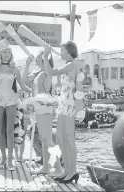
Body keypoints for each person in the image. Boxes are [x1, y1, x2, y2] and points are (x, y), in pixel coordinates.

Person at [43, 41, 85, 183]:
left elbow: (50, 72)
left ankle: (73, 171)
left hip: (69, 106)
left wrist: (45, 56)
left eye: (62, 50)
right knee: (61, 139)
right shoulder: (68, 65)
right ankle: (67, 170)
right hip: (63, 105)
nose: (60, 53)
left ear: (69, 51)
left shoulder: (72, 64)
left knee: (68, 139)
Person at [0, 47, 31, 171]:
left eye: (8, 52)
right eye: (4, 51)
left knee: (10, 129)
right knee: (0, 129)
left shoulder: (15, 69)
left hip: (12, 100)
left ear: (11, 54)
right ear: (0, 53)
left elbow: (23, 85)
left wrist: (34, 92)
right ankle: (3, 158)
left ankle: (10, 160)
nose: (6, 54)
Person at [22, 51, 56, 175]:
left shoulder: (45, 73)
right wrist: (27, 64)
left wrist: (34, 102)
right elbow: (25, 79)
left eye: (37, 57)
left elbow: (44, 96)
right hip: (40, 109)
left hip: (45, 109)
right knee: (44, 139)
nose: (35, 58)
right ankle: (46, 167)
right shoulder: (38, 73)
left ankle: (57, 167)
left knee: (47, 139)